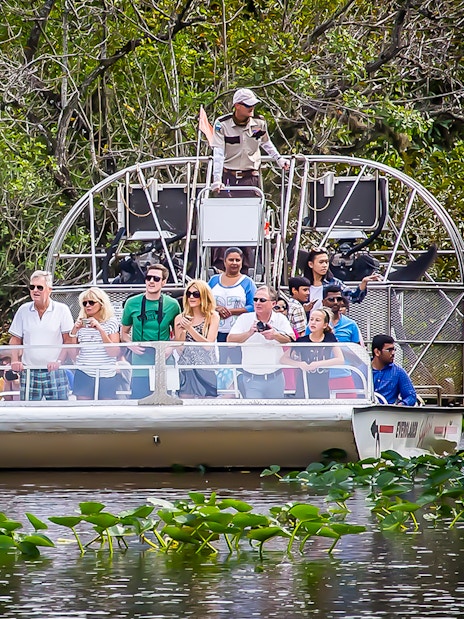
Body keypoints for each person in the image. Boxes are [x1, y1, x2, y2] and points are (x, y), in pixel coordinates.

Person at [210, 87, 289, 271]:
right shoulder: (223, 124)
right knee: (226, 222)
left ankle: (247, 266)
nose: (251, 108)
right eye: (247, 105)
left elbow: (266, 143)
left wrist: (279, 159)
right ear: (237, 106)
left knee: (249, 223)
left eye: (253, 105)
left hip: (250, 178)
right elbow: (219, 153)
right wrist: (216, 179)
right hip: (228, 177)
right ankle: (221, 265)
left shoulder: (258, 123)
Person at [8, 270, 74, 400]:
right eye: (32, 287)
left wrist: (59, 361)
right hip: (29, 370)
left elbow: (68, 340)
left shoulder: (62, 310)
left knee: (58, 413)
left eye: (40, 287)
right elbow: (15, 339)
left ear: (49, 289)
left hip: (55, 371)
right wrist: (15, 360)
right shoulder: (23, 310)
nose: (35, 290)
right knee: (28, 413)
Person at [121, 264, 181, 399]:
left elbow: (178, 334)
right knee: (139, 402)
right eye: (148, 278)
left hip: (164, 361)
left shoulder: (172, 304)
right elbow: (123, 332)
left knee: (166, 402)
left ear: (164, 282)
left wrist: (170, 347)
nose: (151, 281)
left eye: (156, 278)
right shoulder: (132, 303)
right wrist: (130, 344)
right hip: (140, 362)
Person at [227, 285, 295, 399]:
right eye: (255, 299)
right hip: (251, 378)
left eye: (262, 300)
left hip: (276, 377)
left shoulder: (280, 319)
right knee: (254, 415)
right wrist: (249, 332)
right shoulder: (244, 318)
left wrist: (275, 335)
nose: (257, 303)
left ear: (273, 304)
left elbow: (291, 338)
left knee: (276, 414)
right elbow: (229, 340)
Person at [69, 288, 120, 400]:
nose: (88, 305)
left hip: (106, 373)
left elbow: (114, 352)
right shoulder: (81, 323)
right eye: (84, 303)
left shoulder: (111, 322)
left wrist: (101, 330)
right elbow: (73, 354)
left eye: (91, 302)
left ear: (101, 303)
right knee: (84, 410)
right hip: (84, 371)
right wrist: (74, 331)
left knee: (106, 410)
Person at [208, 247, 256, 364]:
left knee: (238, 365)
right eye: (231, 260)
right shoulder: (214, 280)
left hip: (238, 333)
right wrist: (217, 308)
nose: (234, 263)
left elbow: (253, 306)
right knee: (218, 364)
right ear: (224, 261)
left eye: (237, 260)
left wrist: (231, 311)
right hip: (216, 332)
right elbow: (205, 302)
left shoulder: (248, 282)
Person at [283, 308, 343, 399]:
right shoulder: (302, 341)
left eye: (317, 320)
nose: (313, 322)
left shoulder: (330, 338)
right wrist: (299, 364)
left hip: (322, 385)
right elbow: (283, 359)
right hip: (304, 384)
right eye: (311, 319)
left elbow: (340, 359)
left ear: (325, 325)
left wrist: (317, 364)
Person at [174, 280, 220, 398]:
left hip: (206, 367)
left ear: (204, 296)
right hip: (186, 367)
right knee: (185, 404)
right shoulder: (180, 318)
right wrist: (183, 330)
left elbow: (208, 346)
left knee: (207, 405)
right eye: (189, 294)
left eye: (196, 294)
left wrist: (190, 328)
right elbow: (179, 349)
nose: (192, 297)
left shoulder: (212, 317)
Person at [302, 246, 381, 313]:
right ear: (311, 264)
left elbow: (354, 297)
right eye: (321, 262)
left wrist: (364, 282)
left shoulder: (334, 283)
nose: (324, 265)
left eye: (326, 262)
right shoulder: (303, 285)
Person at [322, 286, 363, 398]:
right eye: (331, 299)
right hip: (319, 376)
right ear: (323, 302)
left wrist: (339, 348)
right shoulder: (314, 324)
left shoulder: (351, 325)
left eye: (339, 299)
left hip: (343, 375)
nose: (336, 302)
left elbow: (359, 355)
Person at [371, 334, 417, 406]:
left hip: (389, 414)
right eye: (389, 350)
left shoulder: (398, 372)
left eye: (394, 350)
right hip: (366, 413)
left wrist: (401, 405)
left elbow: (411, 396)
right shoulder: (363, 371)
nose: (393, 353)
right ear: (377, 352)